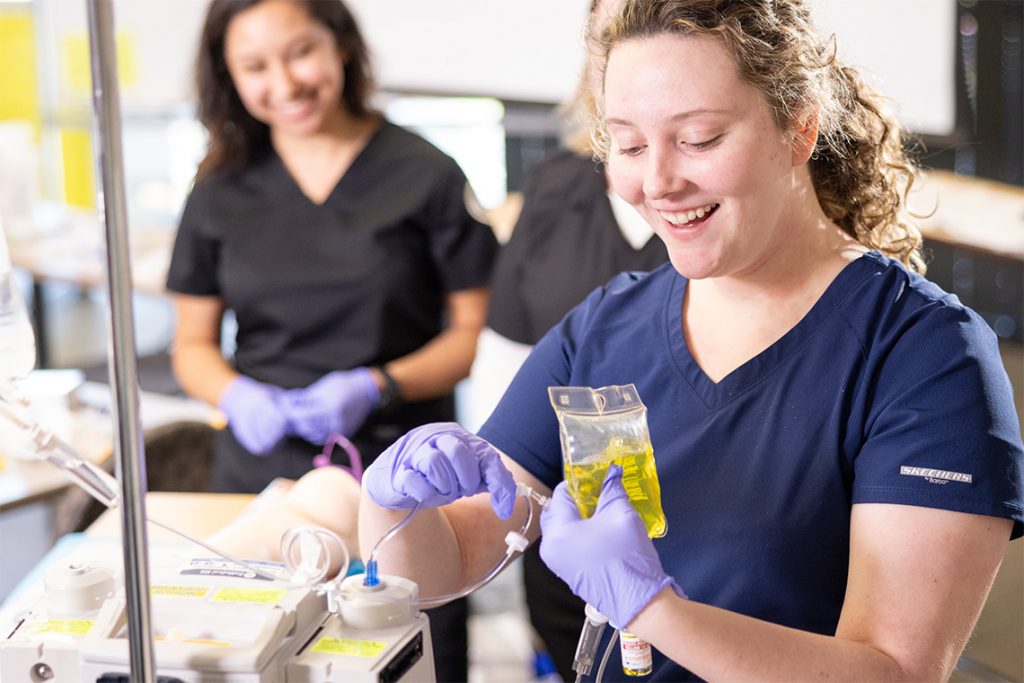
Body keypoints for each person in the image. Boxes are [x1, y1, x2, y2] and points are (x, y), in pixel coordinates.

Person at [358, 0, 1024, 680]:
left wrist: (654, 609)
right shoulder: (604, 327)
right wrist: (391, 504)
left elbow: (896, 671)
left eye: (699, 139)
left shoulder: (926, 356)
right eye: (630, 144)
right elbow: (453, 561)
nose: (658, 183)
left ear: (798, 129)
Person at [164, 1, 496, 679]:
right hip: (262, 477)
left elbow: (472, 333)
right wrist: (237, 394)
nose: (284, 83)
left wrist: (381, 383)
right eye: (255, 66)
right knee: (262, 656)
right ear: (229, 77)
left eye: (301, 52)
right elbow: (191, 344)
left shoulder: (424, 172)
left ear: (340, 45)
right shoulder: (217, 190)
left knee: (406, 659)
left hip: (404, 477)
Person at [466, 1, 667, 678]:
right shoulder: (557, 190)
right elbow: (505, 357)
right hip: (570, 543)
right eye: (615, 31)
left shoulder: (728, 209)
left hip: (713, 554)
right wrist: (494, 471)